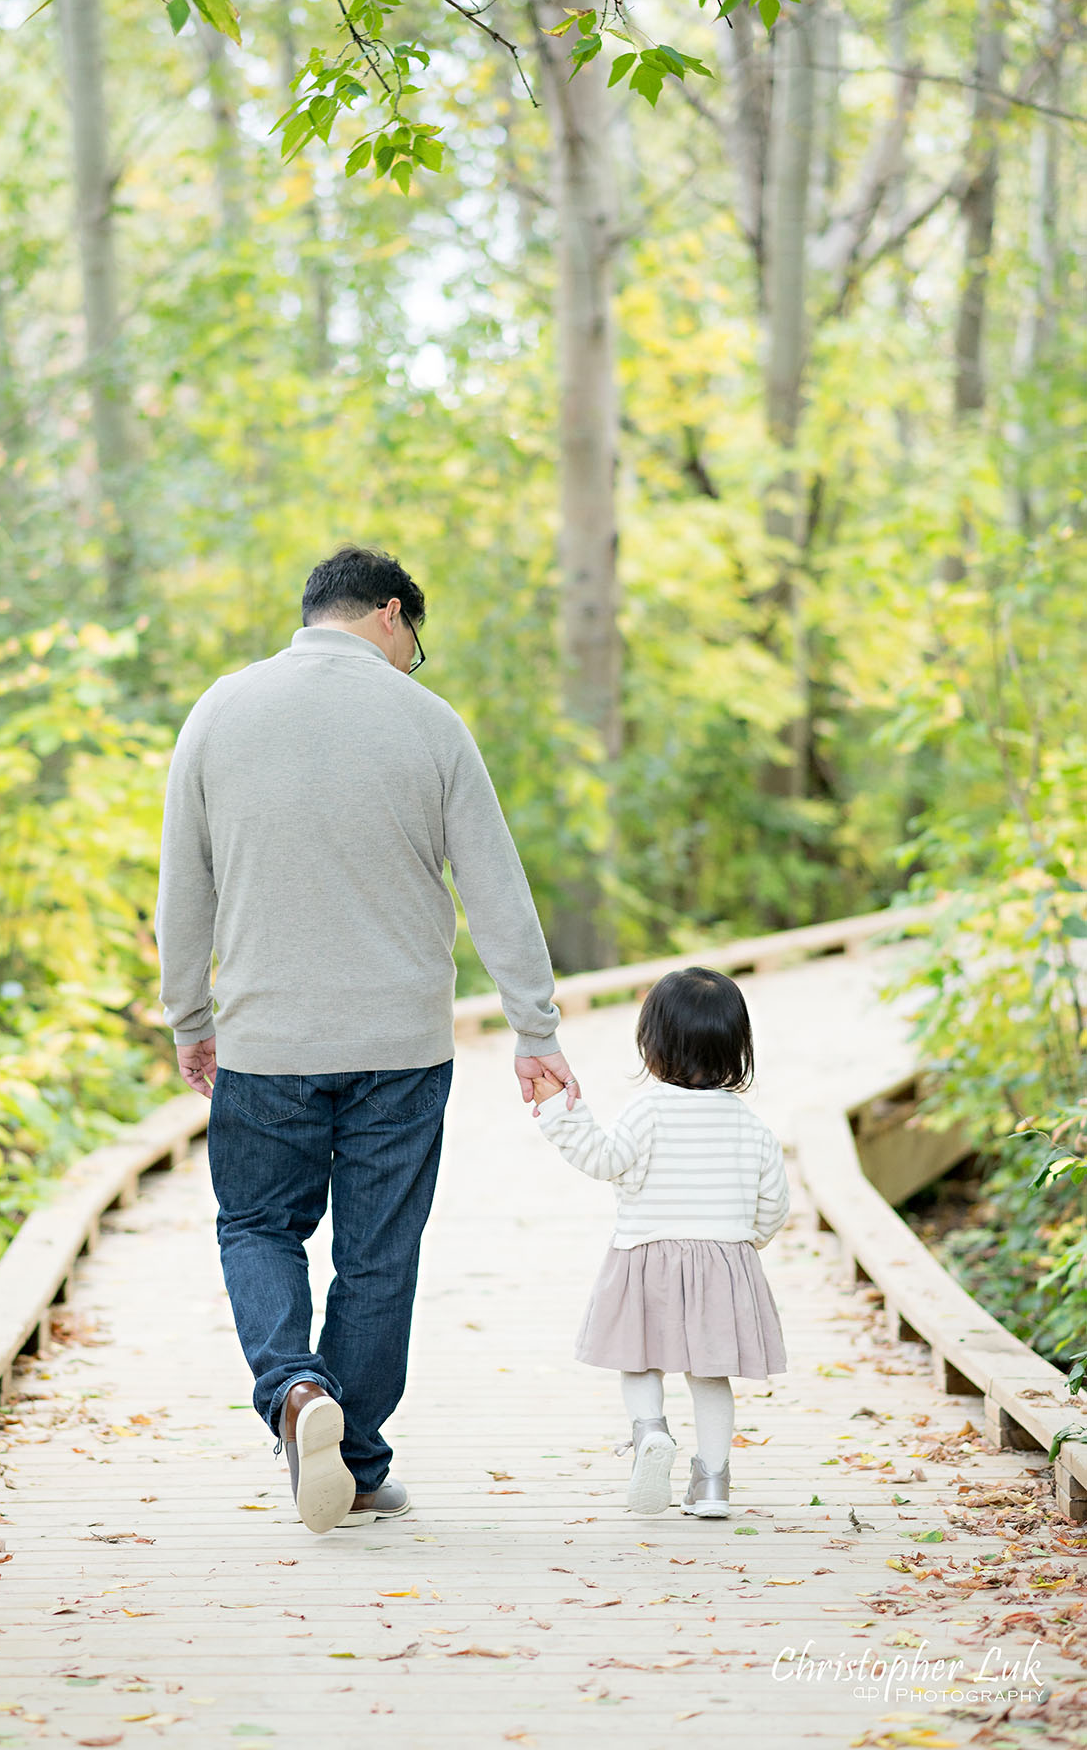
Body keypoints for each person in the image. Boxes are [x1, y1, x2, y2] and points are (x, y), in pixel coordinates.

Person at [155, 545, 578, 1535]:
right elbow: (494, 887)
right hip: (402, 1042)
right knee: (379, 1255)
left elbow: (186, 883)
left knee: (259, 1227)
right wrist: (534, 1028)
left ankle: (296, 1392)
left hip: (266, 1038)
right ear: (392, 616)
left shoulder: (220, 711)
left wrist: (190, 1017)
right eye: (412, 644)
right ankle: (355, 1460)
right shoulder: (430, 725)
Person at [530, 966, 788, 1519]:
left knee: (640, 1360)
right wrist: (744, 1246)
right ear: (736, 1049)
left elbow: (601, 1158)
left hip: (646, 1257)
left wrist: (558, 1110)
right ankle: (713, 1482)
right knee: (710, 1375)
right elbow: (773, 1207)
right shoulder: (752, 1127)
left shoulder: (647, 1113)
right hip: (723, 1261)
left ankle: (650, 1433)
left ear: (653, 1046)